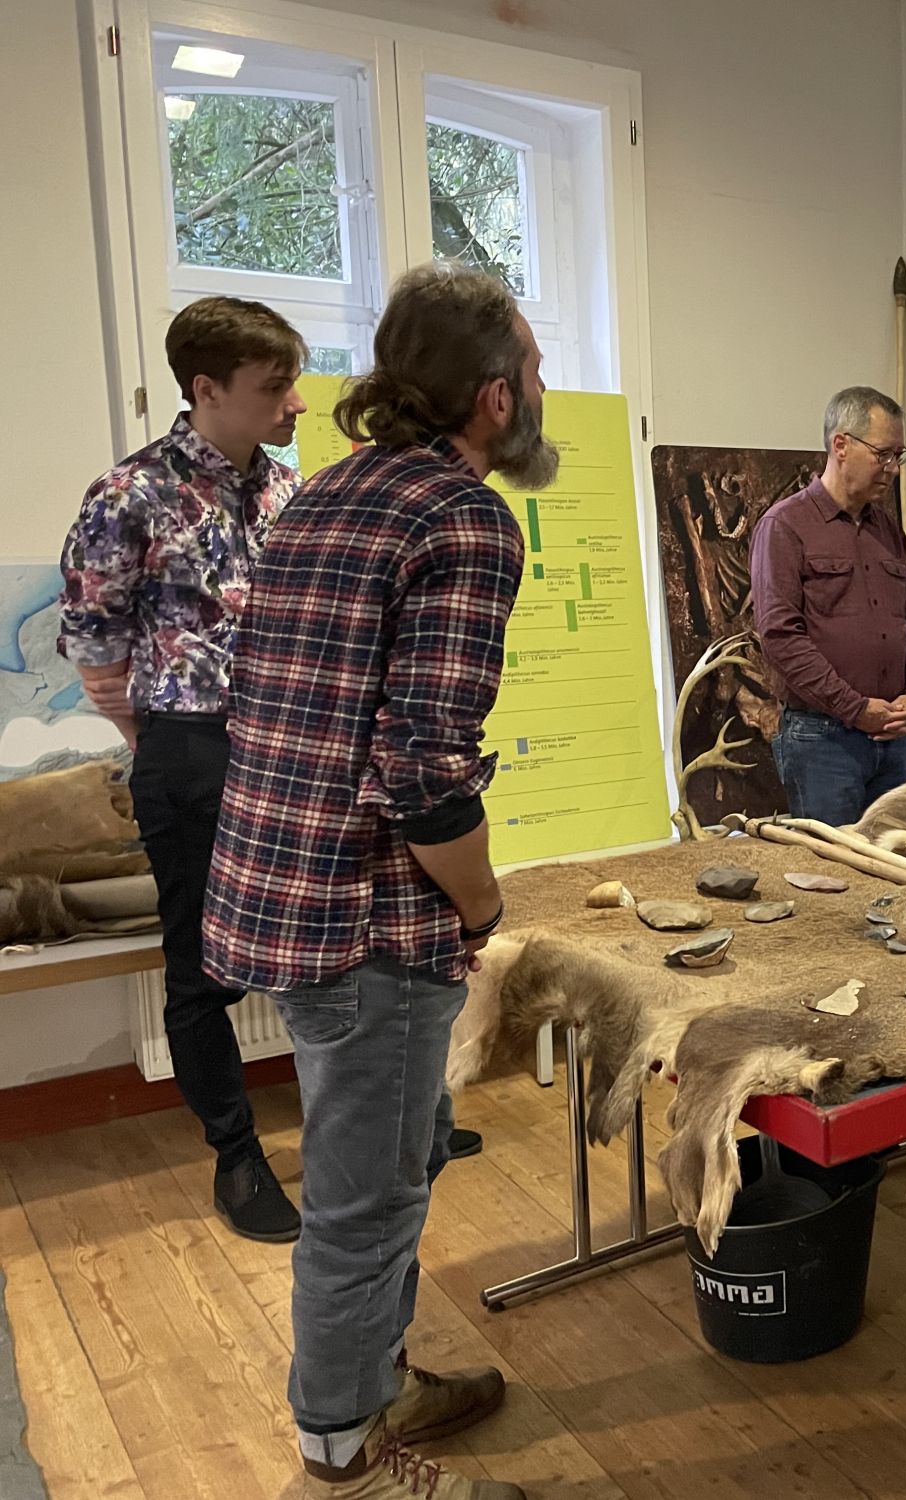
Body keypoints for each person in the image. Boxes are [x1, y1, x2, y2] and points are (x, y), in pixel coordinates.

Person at [204, 264, 550, 1500]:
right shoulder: (465, 521)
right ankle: (345, 1445)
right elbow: (421, 766)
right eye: (537, 370)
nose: (545, 389)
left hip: (283, 895)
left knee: (380, 1172)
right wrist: (483, 906)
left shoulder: (319, 496)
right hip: (370, 915)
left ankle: (374, 1382)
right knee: (367, 1196)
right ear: (495, 398)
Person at [57, 296, 307, 1243]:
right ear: (205, 389)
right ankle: (237, 1156)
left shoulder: (287, 489)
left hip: (290, 748)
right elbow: (93, 645)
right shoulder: (129, 495)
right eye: (273, 385)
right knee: (204, 967)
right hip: (191, 747)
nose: (294, 402)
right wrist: (156, 738)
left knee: (322, 942)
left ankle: (375, 1125)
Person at [751, 386, 906, 825]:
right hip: (823, 742)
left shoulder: (888, 531)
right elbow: (780, 638)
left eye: (898, 456)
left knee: (905, 867)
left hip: (894, 737)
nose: (891, 469)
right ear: (841, 445)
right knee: (835, 878)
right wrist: (855, 709)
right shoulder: (785, 527)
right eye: (883, 454)